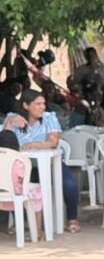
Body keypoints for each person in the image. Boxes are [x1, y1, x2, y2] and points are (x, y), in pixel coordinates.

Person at [2, 89, 82, 232]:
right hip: (24, 167)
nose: (42, 107)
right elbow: (5, 145)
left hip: (49, 164)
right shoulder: (13, 118)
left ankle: (72, 218)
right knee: (13, 184)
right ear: (26, 105)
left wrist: (33, 145)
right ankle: (19, 222)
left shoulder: (49, 118)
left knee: (69, 185)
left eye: (43, 103)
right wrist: (9, 122)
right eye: (38, 104)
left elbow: (53, 142)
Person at [0, 129, 43, 236]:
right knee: (38, 192)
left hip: (2, 195)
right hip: (16, 194)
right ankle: (37, 231)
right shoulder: (19, 161)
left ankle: (6, 226)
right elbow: (23, 179)